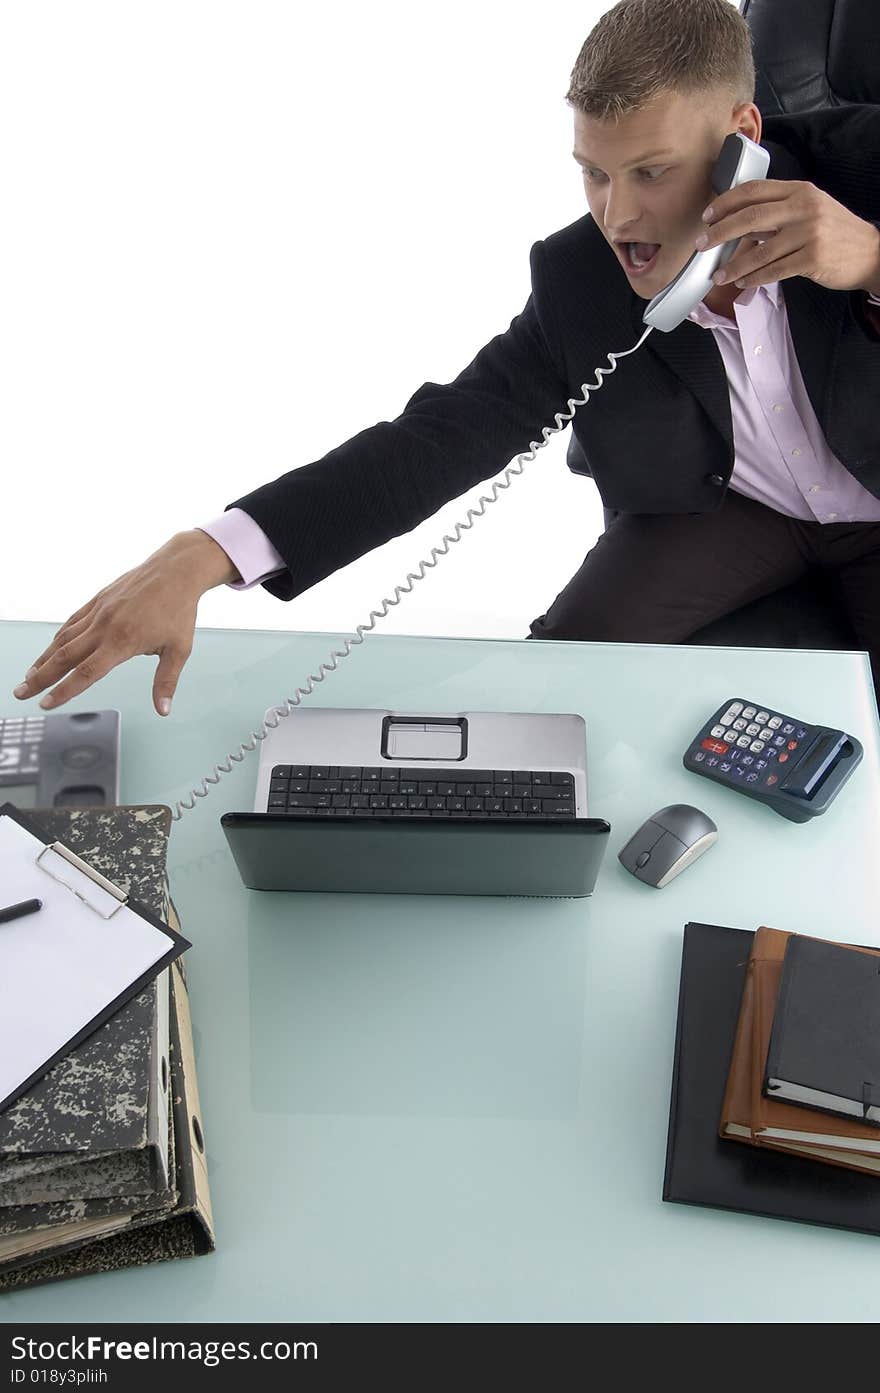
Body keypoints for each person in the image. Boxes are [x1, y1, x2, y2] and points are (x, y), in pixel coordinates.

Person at [12, 0, 880, 719]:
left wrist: (874, 262)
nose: (618, 217)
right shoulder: (579, 278)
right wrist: (204, 552)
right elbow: (439, 435)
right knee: (556, 692)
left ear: (743, 136)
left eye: (652, 171)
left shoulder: (862, 173)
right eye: (594, 174)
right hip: (732, 509)